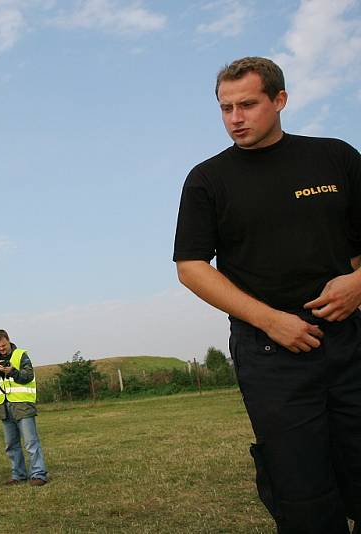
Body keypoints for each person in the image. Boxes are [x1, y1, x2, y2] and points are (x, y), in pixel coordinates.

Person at [174, 56, 361, 533]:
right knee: (301, 488)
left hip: (351, 343)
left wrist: (360, 284)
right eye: (225, 108)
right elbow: (192, 267)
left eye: (248, 105)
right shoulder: (208, 180)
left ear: (280, 100)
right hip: (271, 353)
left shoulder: (335, 157)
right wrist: (270, 320)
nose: (235, 118)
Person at [0, 329, 48, 486]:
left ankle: (38, 474)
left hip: (22, 405)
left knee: (30, 442)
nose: (1, 349)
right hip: (4, 407)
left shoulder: (21, 355)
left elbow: (28, 376)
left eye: (3, 345)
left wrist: (11, 371)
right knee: (11, 445)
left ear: (8, 340)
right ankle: (18, 474)